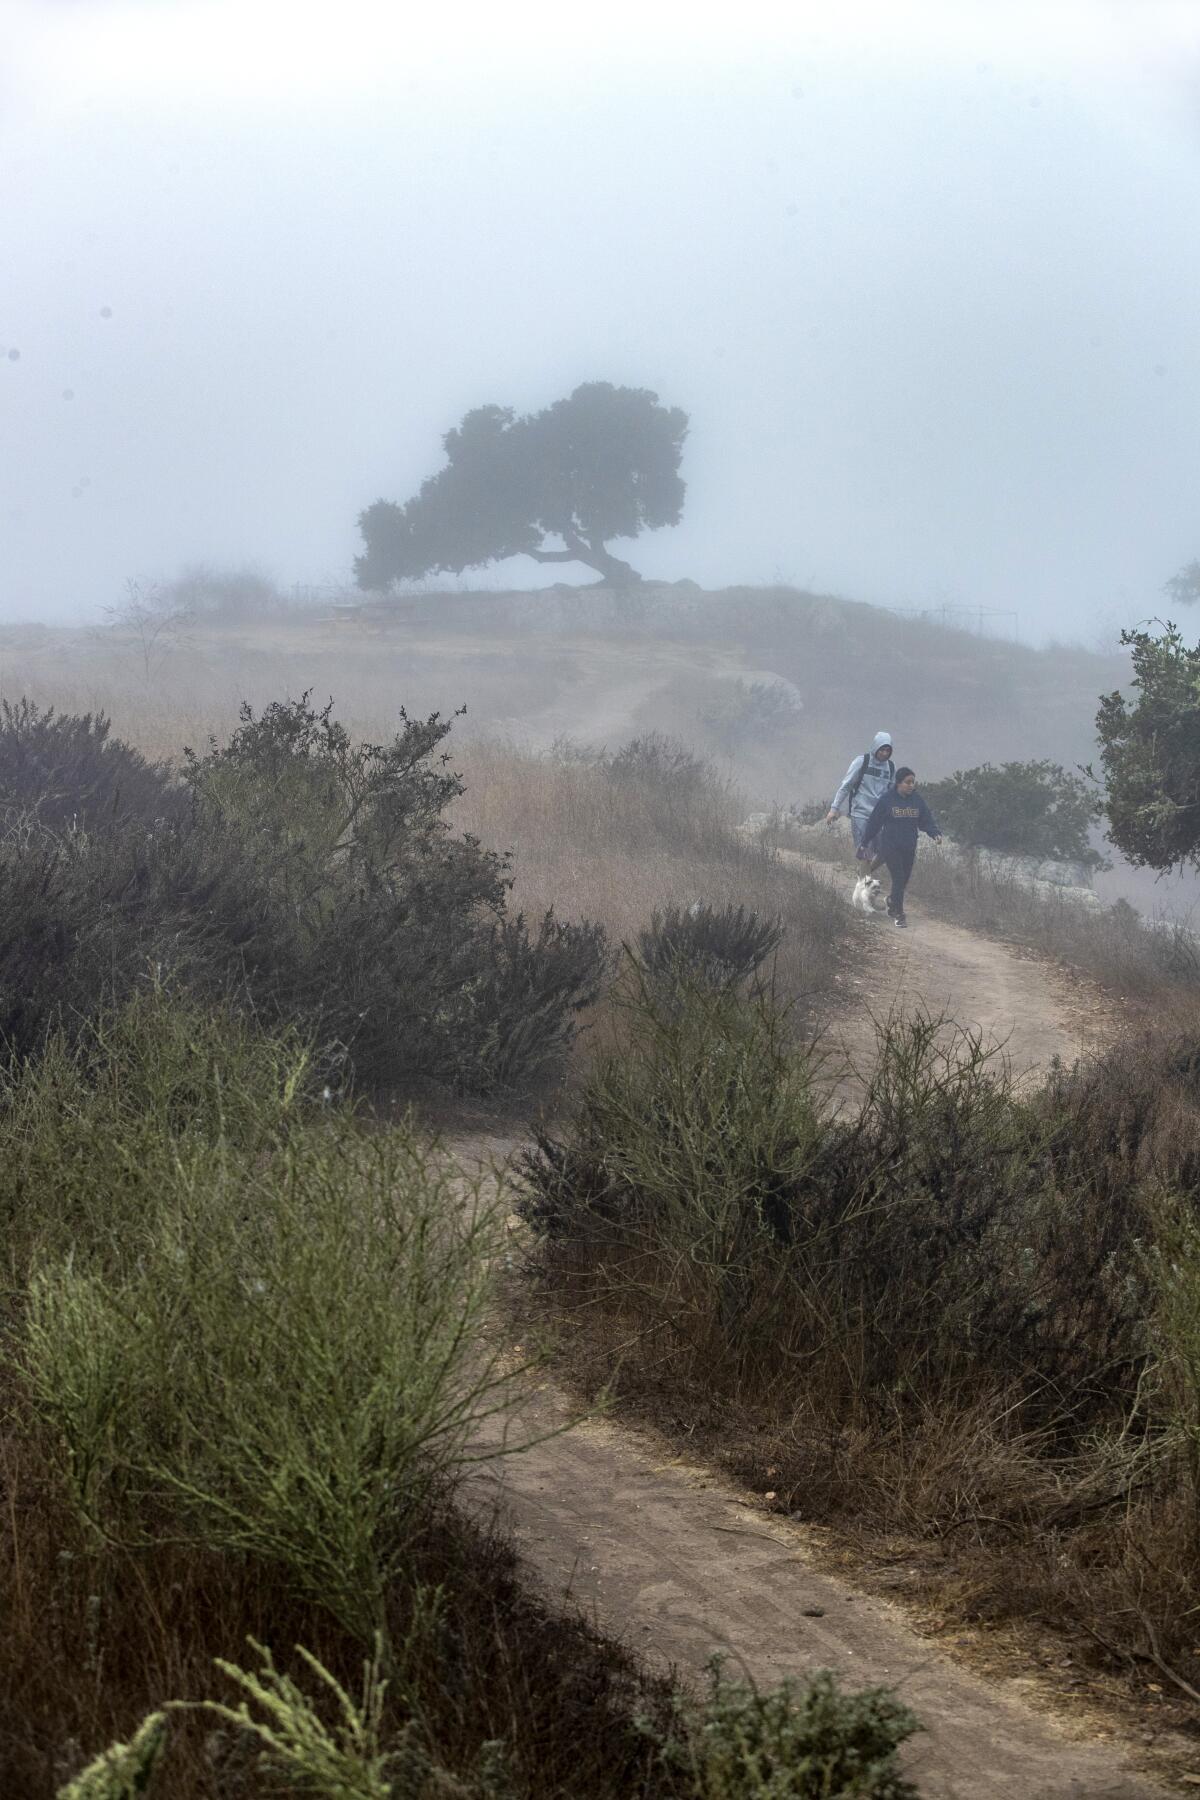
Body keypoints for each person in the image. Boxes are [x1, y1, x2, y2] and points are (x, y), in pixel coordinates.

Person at [861, 768, 942, 929]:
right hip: (891, 847)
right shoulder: (887, 800)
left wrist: (934, 833)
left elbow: (925, 819)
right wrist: (865, 841)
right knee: (898, 878)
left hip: (909, 846)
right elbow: (874, 822)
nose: (911, 785)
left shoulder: (917, 800)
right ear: (898, 783)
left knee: (903, 880)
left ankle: (891, 901)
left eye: (913, 782)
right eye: (907, 782)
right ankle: (899, 914)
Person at [825, 732, 896, 851]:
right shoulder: (862, 762)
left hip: (879, 816)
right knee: (863, 850)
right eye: (882, 749)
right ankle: (863, 869)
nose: (885, 753)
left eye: (888, 750)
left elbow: (892, 793)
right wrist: (834, 809)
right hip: (860, 814)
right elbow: (846, 786)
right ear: (876, 747)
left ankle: (867, 870)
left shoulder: (890, 767)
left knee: (880, 852)